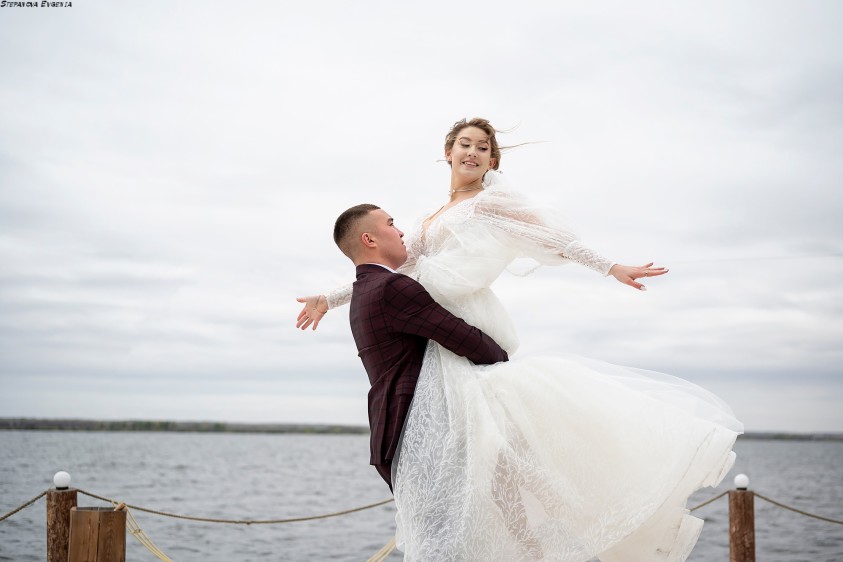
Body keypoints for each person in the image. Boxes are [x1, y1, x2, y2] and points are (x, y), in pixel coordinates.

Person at [297, 118, 742, 561]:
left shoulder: (490, 203)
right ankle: (522, 544)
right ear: (448, 152)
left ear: (492, 161)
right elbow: (391, 269)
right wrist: (328, 299)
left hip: (466, 322)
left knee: (496, 443)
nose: (473, 153)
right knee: (491, 454)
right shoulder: (430, 215)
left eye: (483, 148)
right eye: (465, 144)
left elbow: (553, 238)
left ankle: (548, 533)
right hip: (437, 333)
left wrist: (610, 267)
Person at [327, 203, 509, 491]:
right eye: (391, 224)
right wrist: (504, 360)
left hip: (390, 434)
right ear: (369, 239)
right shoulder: (393, 287)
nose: (401, 232)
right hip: (419, 433)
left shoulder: (364, 291)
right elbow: (464, 339)